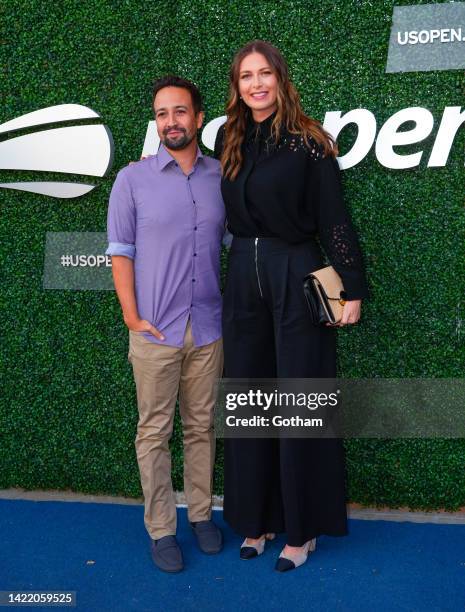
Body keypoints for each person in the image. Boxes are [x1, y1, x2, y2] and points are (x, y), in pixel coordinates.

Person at [214, 40, 369, 572]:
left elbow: (334, 219)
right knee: (249, 400)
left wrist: (352, 286)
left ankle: (302, 531)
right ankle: (256, 519)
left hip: (296, 271)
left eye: (264, 74)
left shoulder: (310, 143)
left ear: (281, 78)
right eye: (245, 77)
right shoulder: (229, 138)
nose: (255, 84)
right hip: (242, 277)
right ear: (236, 86)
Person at [106, 76, 225, 573]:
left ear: (198, 118)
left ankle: (200, 515)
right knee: (154, 432)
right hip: (155, 332)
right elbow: (120, 252)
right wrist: (133, 317)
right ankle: (161, 527)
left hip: (210, 329)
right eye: (161, 114)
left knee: (201, 427)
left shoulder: (222, 175)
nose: (170, 122)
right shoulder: (131, 180)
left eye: (179, 112)